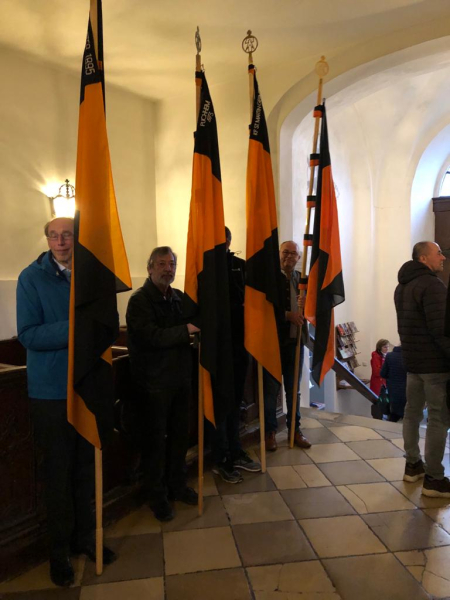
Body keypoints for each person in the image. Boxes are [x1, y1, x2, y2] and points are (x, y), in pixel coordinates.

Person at [16, 217, 116, 587]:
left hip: (86, 386)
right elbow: (29, 335)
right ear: (47, 240)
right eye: (54, 236)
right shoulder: (32, 278)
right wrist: (76, 326)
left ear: (76, 239)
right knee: (58, 475)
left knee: (84, 470)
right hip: (51, 392)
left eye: (67, 235)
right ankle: (58, 554)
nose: (61, 242)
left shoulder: (89, 276)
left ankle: (84, 538)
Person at [126, 246, 199, 521]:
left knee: (180, 437)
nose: (168, 269)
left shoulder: (178, 297)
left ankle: (177, 485)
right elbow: (151, 337)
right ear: (149, 268)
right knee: (155, 442)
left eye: (171, 265)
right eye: (161, 264)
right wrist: (185, 330)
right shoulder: (139, 301)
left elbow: (193, 324)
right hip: (153, 384)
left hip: (180, 379)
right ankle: (156, 495)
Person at [394, 240, 450, 497]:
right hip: (435, 365)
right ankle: (434, 479)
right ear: (424, 258)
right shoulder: (432, 285)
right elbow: (441, 330)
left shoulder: (402, 286)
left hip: (413, 362)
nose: (443, 258)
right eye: (438, 253)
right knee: (438, 418)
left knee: (412, 413)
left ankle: (413, 465)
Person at [211, 227, 261, 483]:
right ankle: (221, 458)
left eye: (224, 240)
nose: (221, 244)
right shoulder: (206, 268)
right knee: (221, 404)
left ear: (230, 241)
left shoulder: (240, 266)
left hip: (240, 345)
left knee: (235, 402)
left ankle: (235, 449)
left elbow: (249, 301)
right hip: (218, 347)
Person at [263, 241, 311, 452]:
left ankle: (295, 430)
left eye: (293, 254)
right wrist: (287, 315)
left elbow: (311, 309)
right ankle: (270, 432)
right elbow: (264, 309)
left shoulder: (302, 280)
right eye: (285, 252)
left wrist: (307, 307)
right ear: (279, 254)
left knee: (294, 391)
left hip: (295, 343)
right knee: (271, 391)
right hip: (273, 343)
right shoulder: (270, 280)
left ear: (299, 257)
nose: (289, 257)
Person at [380, 345, 407, 422]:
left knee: (394, 414)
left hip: (393, 389)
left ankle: (389, 428)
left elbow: (383, 373)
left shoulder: (390, 356)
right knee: (408, 416)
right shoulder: (409, 357)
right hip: (408, 389)